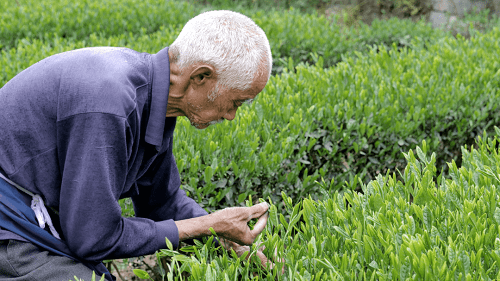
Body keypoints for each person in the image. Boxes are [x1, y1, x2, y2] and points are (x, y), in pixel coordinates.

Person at [0, 10, 274, 281]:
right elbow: (93, 238)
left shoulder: (153, 99)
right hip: (9, 227)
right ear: (200, 77)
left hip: (32, 220)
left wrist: (228, 239)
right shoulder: (110, 102)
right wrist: (207, 225)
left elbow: (162, 203)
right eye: (236, 102)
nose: (231, 116)